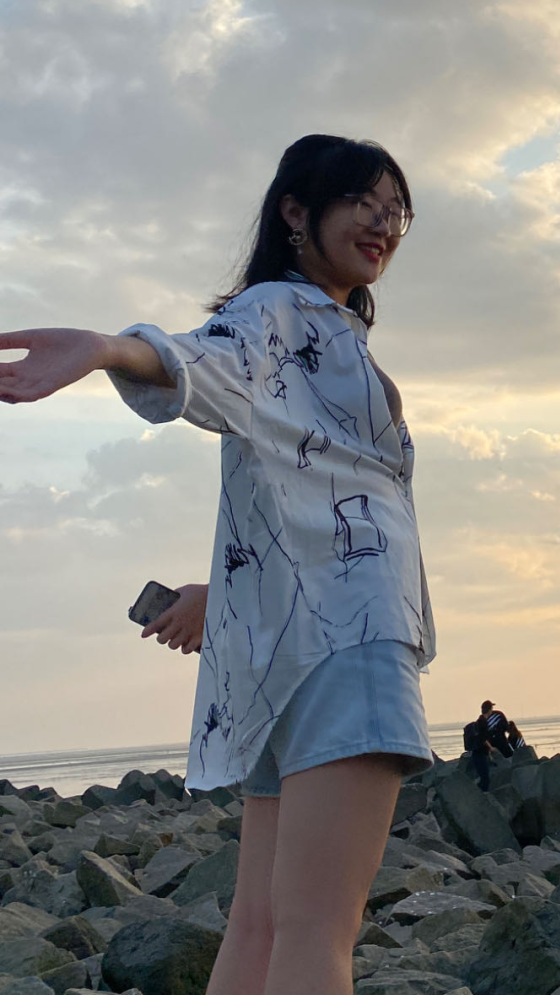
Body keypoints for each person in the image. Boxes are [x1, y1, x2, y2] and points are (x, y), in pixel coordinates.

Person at [0, 134, 436, 995]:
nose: (384, 223)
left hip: (289, 647)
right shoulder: (279, 311)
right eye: (363, 201)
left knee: (263, 923)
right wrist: (107, 347)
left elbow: (293, 480)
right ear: (296, 211)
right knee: (318, 928)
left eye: (397, 210)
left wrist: (224, 589)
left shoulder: (322, 330)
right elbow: (204, 358)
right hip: (354, 638)